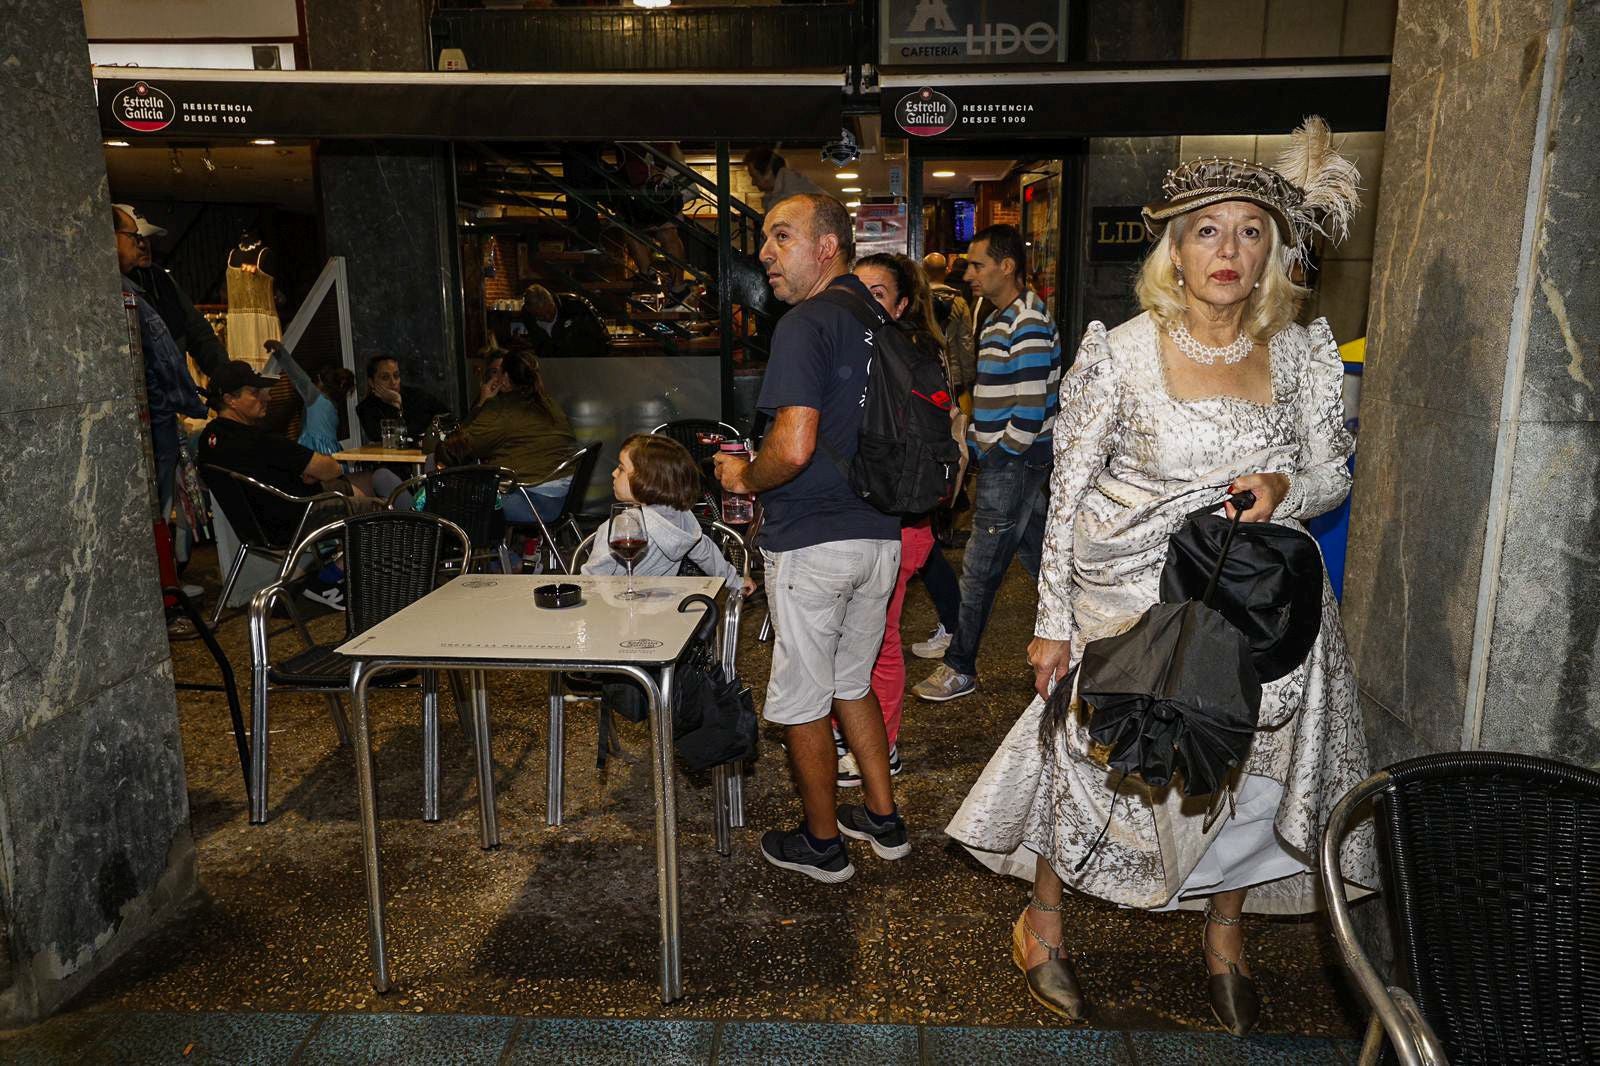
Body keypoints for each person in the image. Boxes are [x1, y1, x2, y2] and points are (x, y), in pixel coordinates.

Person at [945, 123, 1376, 1034]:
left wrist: (1286, 484)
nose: (1229, 250)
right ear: (1173, 249)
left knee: (1249, 772)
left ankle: (1225, 938)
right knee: (1094, 766)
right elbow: (1064, 496)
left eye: (1250, 231)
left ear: (1273, 252)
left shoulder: (1300, 352)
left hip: (1258, 608)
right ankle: (1045, 925)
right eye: (1207, 230)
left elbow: (1336, 472)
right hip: (1128, 600)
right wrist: (1051, 622)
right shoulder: (1122, 350)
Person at [713, 193, 907, 883]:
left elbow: (792, 448)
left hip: (814, 542)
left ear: (827, 247)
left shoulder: (806, 323)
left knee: (802, 697)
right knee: (852, 682)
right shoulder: (878, 318)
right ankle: (883, 819)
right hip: (881, 536)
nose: (765, 252)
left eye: (781, 236)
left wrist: (743, 477)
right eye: (765, 238)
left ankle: (822, 844)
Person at [914, 224, 1062, 703]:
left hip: (1015, 460)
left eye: (978, 264)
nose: (969, 272)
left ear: (1007, 266)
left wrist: (1000, 452)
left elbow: (1033, 404)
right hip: (1008, 458)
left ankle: (960, 665)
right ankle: (1081, 640)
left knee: (979, 567)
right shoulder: (999, 316)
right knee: (1037, 554)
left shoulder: (1029, 321)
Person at [831, 252, 955, 788]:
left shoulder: (907, 356)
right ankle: (855, 732)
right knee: (846, 636)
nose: (864, 299)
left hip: (899, 521)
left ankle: (883, 744)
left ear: (902, 304)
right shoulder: (849, 350)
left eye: (877, 292)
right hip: (861, 518)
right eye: (857, 289)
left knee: (879, 638)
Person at [196, 361, 379, 607]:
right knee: (378, 509)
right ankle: (330, 579)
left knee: (351, 486)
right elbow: (330, 468)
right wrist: (311, 473)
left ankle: (333, 570)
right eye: (254, 392)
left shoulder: (208, 441)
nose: (265, 397)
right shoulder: (260, 440)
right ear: (230, 399)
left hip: (253, 527)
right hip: (297, 518)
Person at [115, 205, 209, 524]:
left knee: (160, 510)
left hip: (155, 416)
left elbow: (192, 334)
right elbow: (163, 359)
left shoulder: (151, 286)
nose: (141, 245)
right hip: (149, 418)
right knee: (154, 511)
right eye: (133, 237)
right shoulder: (127, 293)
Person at [442, 348, 578, 525]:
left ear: (505, 379)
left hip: (533, 501)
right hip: (566, 496)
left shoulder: (501, 409)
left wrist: (482, 402)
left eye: (498, 373)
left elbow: (461, 446)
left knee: (449, 497)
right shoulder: (549, 404)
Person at [115, 203, 228, 381]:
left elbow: (198, 332)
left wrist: (225, 375)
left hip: (168, 394)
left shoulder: (161, 279)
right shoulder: (111, 287)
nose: (144, 245)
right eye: (135, 238)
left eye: (147, 238)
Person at [355, 354, 449, 446]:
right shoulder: (365, 408)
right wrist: (395, 404)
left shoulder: (417, 395)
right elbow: (390, 438)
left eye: (396, 376)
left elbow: (447, 415)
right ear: (371, 382)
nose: (393, 382)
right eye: (385, 377)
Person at [922, 252, 976, 399]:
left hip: (923, 373)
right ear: (946, 271)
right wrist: (969, 377)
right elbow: (966, 342)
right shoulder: (959, 302)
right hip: (953, 373)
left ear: (923, 270)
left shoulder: (917, 302)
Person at [520, 285, 611, 360]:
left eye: (549, 311)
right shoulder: (527, 316)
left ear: (552, 301)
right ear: (531, 312)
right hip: (552, 368)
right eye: (540, 316)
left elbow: (603, 339)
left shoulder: (576, 306)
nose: (548, 317)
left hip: (586, 363)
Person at [741, 146, 825, 213]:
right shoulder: (788, 188)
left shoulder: (791, 195)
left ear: (768, 173)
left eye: (754, 177)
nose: (753, 183)